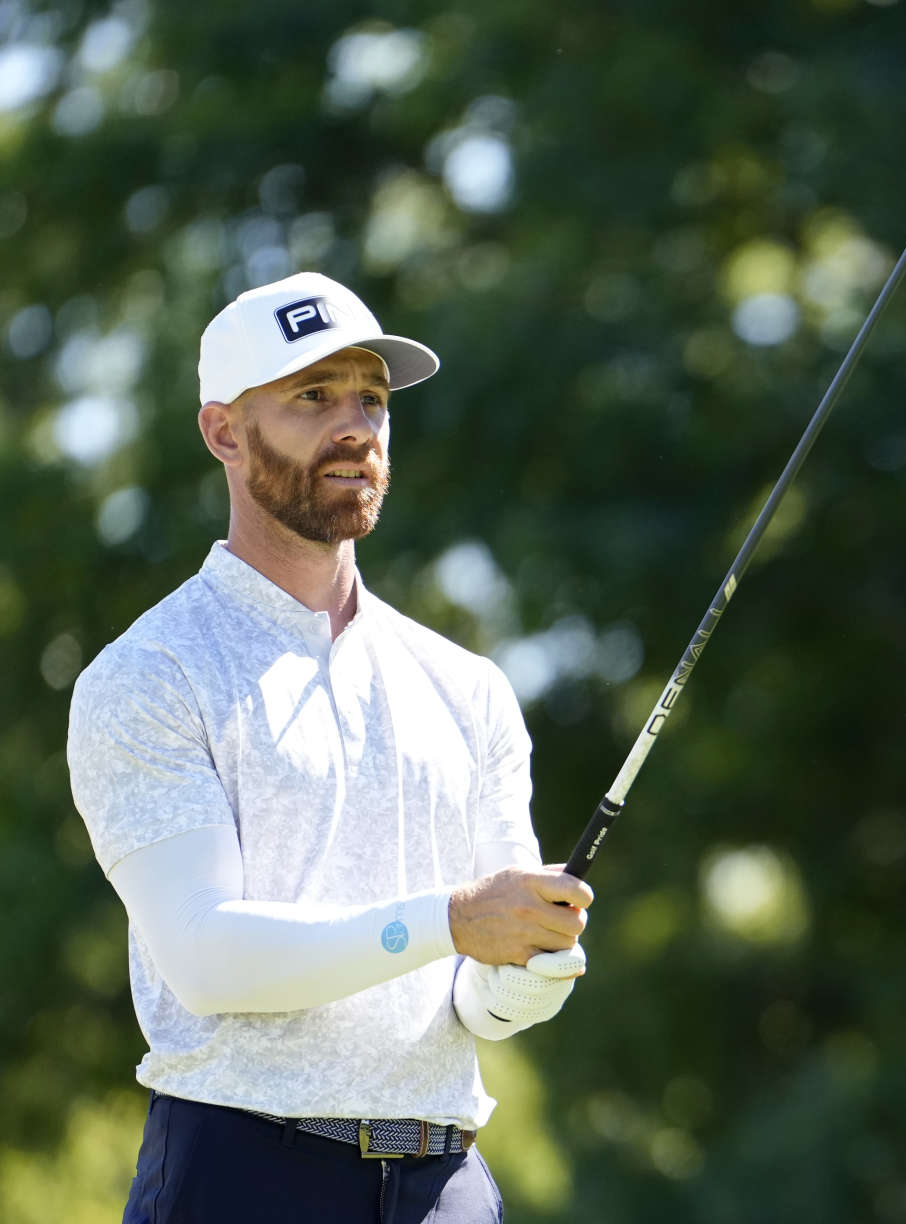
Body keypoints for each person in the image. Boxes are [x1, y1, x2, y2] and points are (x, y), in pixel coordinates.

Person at [67, 271, 592, 1223]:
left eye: (373, 399)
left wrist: (529, 974)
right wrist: (452, 921)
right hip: (243, 1171)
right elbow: (207, 958)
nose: (355, 425)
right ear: (224, 431)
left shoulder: (468, 686)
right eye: (313, 396)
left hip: (445, 1177)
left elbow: (479, 1000)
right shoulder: (149, 673)